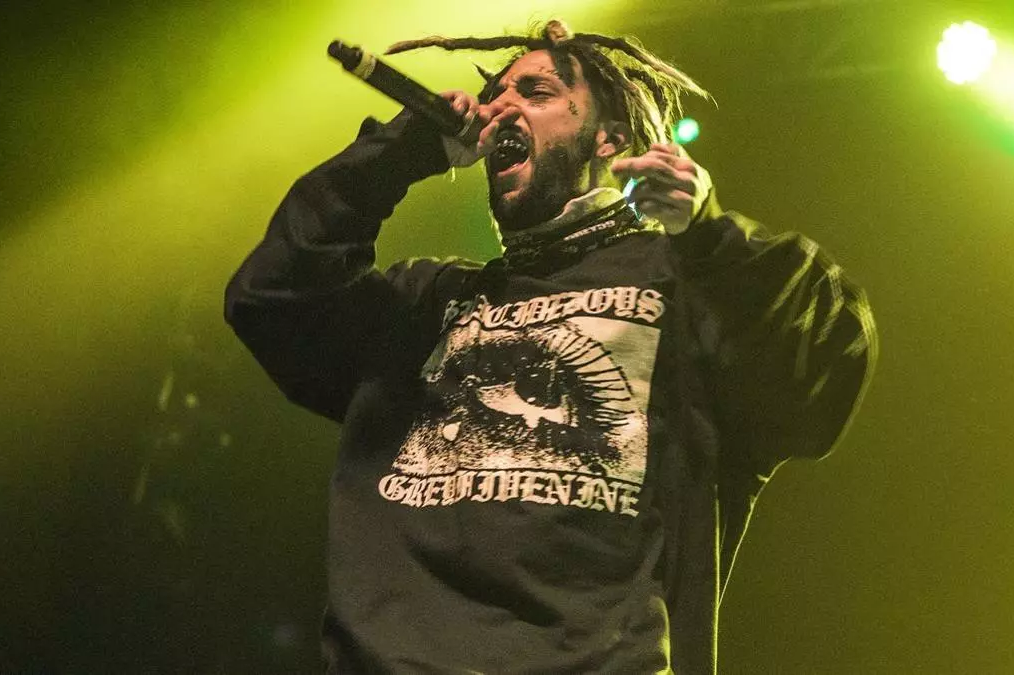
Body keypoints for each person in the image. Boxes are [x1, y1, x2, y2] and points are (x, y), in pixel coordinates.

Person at [225, 19, 876, 674]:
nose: (500, 107)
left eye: (535, 92)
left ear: (609, 137)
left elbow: (822, 363)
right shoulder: (427, 302)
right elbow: (274, 298)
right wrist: (398, 155)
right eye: (495, 95)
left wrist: (710, 237)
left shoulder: (684, 288)